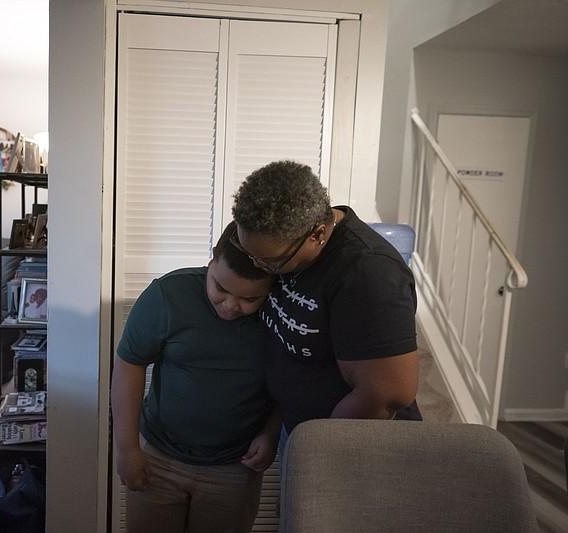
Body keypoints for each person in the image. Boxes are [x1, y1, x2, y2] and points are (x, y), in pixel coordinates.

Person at [231, 160, 421, 446]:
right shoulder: (282, 241)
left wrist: (319, 447)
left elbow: (389, 393)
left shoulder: (367, 272)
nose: (259, 267)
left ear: (318, 235)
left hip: (352, 444)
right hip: (299, 427)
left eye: (271, 261)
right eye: (250, 255)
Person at [112, 222, 281, 533]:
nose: (231, 306)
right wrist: (127, 448)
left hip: (236, 465)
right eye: (220, 288)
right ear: (211, 260)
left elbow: (292, 379)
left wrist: (272, 432)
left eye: (249, 299)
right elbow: (129, 364)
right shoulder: (167, 295)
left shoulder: (282, 312)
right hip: (159, 458)